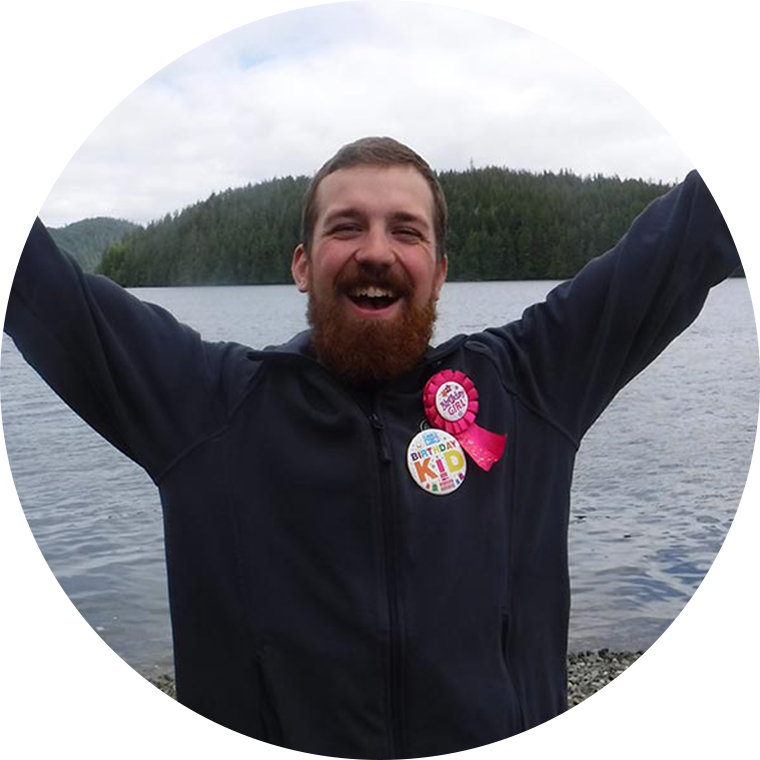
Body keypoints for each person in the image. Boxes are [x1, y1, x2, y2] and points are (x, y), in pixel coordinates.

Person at [1, 99, 759, 760]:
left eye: (406, 230)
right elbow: (28, 272)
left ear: (439, 269)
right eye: (346, 227)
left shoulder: (529, 384)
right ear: (303, 265)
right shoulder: (206, 406)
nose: (375, 250)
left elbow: (694, 229)